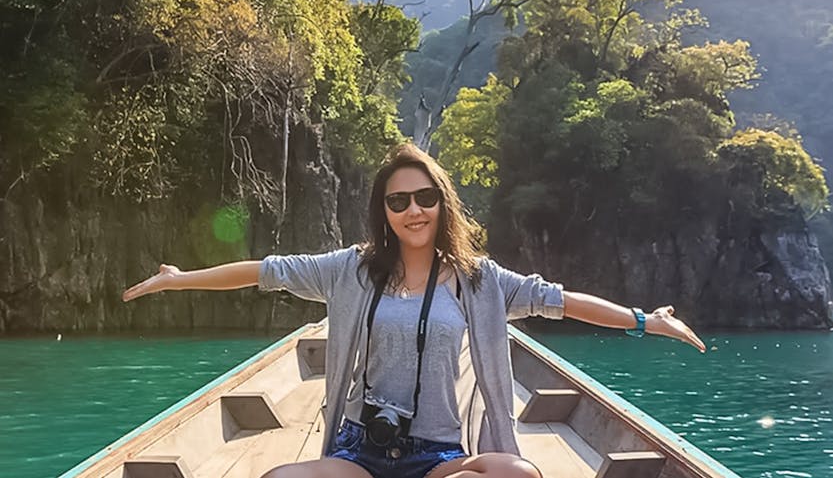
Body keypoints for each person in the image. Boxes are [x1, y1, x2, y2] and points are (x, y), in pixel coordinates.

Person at [123, 142, 705, 478]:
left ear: (441, 202)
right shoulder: (350, 269)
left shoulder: (481, 282)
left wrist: (643, 320)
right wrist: (180, 281)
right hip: (362, 449)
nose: (413, 210)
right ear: (385, 210)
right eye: (398, 201)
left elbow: (561, 300)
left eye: (425, 197)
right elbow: (264, 271)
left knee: (518, 474)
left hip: (437, 457)